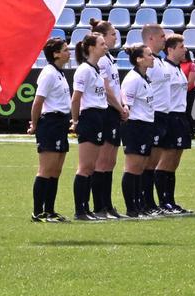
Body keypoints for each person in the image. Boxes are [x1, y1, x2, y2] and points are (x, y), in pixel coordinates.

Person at [26, 37, 71, 222]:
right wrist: (35, 124)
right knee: (46, 169)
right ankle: (38, 211)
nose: (69, 52)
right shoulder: (49, 73)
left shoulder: (59, 73)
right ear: (56, 54)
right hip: (50, 122)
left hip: (61, 123)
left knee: (56, 170)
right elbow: (38, 101)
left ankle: (50, 210)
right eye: (65, 49)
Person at [89, 19, 128, 219]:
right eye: (112, 34)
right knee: (102, 162)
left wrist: (122, 105)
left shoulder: (109, 58)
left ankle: (108, 204)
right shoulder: (101, 60)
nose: (115, 37)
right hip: (107, 111)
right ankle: (100, 206)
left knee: (110, 161)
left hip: (114, 111)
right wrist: (120, 106)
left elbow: (115, 87)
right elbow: (106, 89)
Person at [70, 32, 111, 221]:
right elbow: (76, 98)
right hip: (89, 117)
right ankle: (80, 210)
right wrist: (76, 121)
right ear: (91, 48)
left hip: (99, 117)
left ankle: (86, 208)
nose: (105, 46)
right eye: (102, 44)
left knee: (92, 167)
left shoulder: (96, 69)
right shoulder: (84, 70)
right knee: (85, 167)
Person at [158, 34, 194, 215]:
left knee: (174, 162)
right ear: (170, 49)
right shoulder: (165, 69)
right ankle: (163, 202)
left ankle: (170, 200)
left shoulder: (178, 68)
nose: (185, 49)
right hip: (170, 116)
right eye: (181, 46)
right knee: (165, 161)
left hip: (180, 117)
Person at [120, 44, 156, 218]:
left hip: (146, 124)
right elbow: (127, 105)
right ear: (139, 59)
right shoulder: (132, 79)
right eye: (149, 55)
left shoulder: (144, 77)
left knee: (141, 167)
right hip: (135, 125)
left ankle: (139, 204)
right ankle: (131, 207)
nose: (153, 57)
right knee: (133, 167)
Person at [141, 24, 168, 215]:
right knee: (148, 162)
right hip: (153, 114)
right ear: (151, 38)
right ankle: (146, 202)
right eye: (162, 36)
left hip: (162, 115)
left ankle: (150, 203)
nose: (165, 39)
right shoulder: (146, 62)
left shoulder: (159, 60)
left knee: (154, 162)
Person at [180, 50, 195, 137]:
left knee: (187, 112)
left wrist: (182, 92)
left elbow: (190, 82)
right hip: (179, 93)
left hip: (189, 92)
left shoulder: (192, 65)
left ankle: (191, 132)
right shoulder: (177, 65)